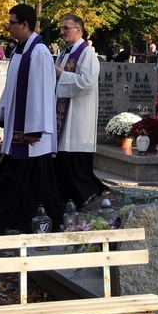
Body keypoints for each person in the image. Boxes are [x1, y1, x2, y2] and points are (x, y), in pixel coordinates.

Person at [0, 4, 63, 235]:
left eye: (12, 23)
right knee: (25, 179)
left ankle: (5, 220)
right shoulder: (19, 51)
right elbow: (11, 89)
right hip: (20, 133)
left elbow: (42, 92)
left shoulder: (38, 52)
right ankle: (37, 219)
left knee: (24, 179)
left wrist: (35, 130)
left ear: (25, 24)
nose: (8, 27)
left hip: (30, 135)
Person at [53, 15, 107, 208]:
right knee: (64, 162)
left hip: (78, 117)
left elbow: (87, 83)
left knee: (75, 162)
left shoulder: (87, 54)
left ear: (79, 30)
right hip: (63, 115)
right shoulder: (64, 54)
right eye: (62, 28)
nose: (63, 31)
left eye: (66, 28)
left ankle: (89, 192)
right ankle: (68, 200)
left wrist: (62, 74)